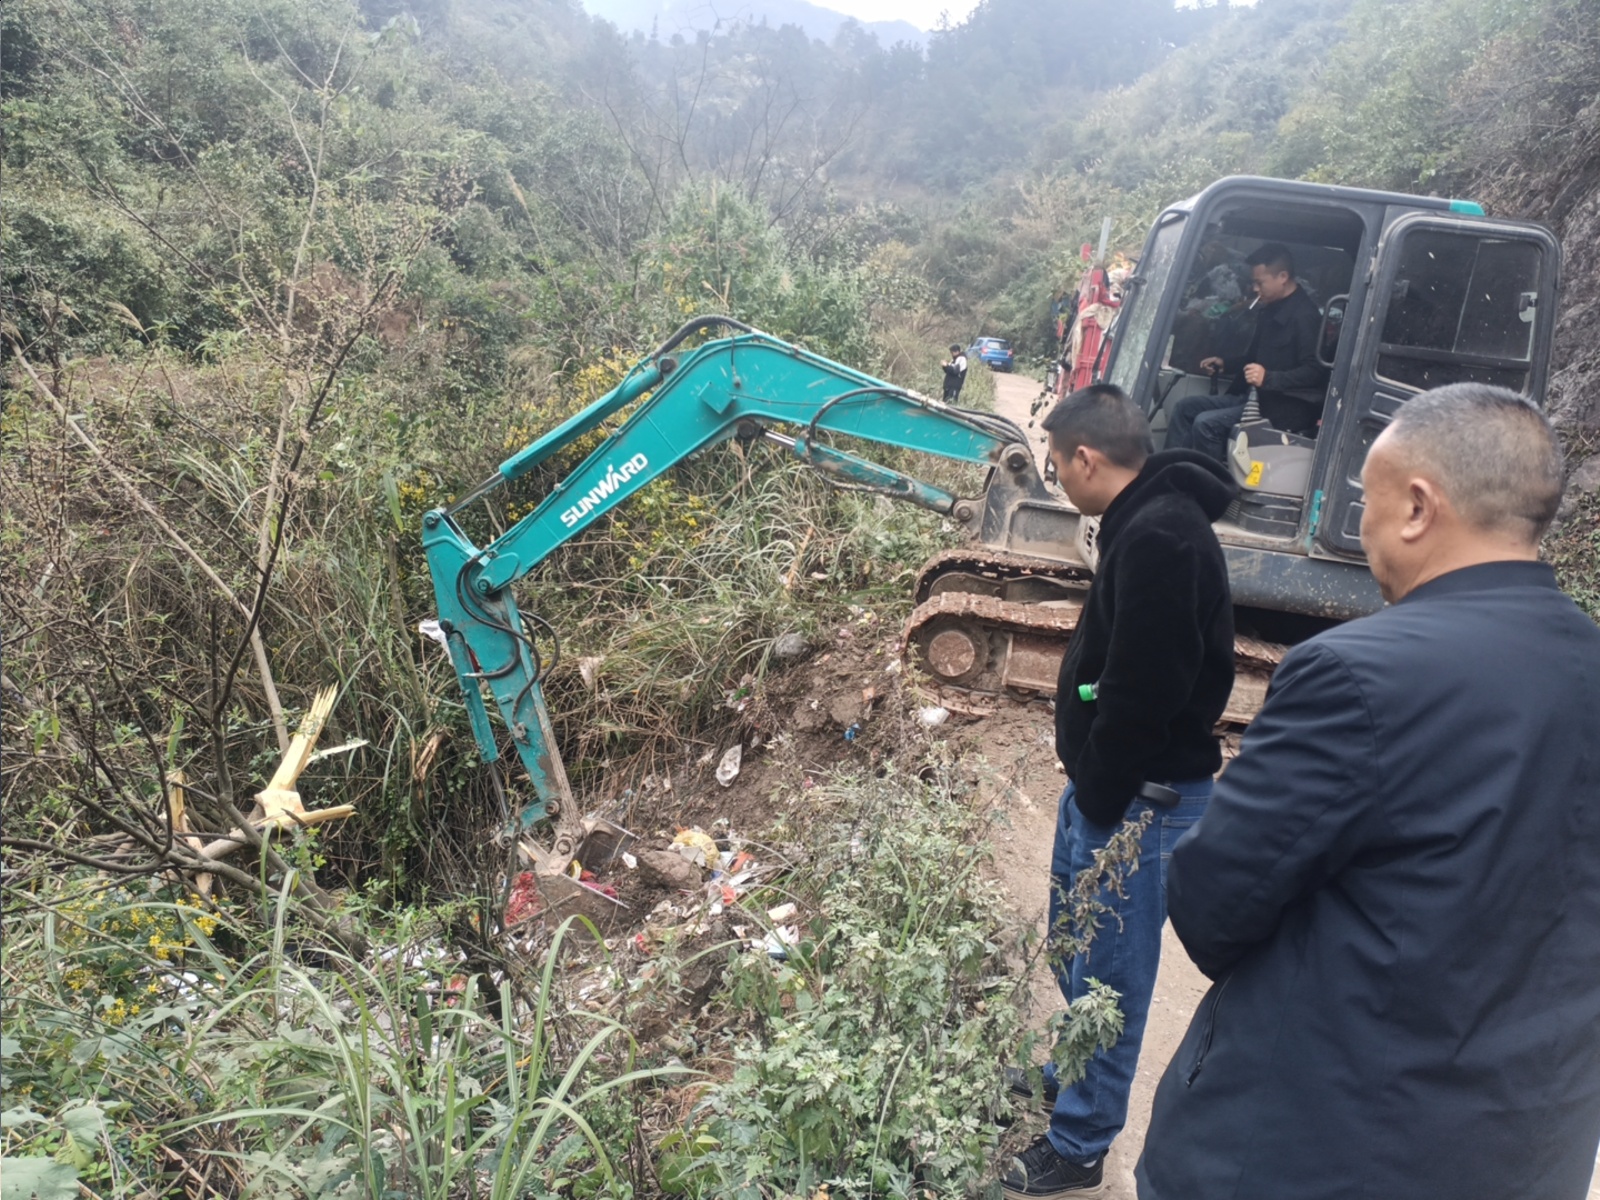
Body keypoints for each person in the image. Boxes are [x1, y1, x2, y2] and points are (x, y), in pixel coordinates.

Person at [1137, 383, 1600, 1200]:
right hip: (1527, 1153)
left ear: (1418, 507)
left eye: (1369, 501)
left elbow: (1213, 905)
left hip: (1322, 1148)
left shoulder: (1356, 674)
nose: (1363, 527)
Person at [1002, 384, 1238, 1199]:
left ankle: (1079, 1145)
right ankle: (1068, 1077)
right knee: (1075, 948)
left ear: (1086, 458)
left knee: (1108, 979)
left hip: (1142, 802)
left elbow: (1145, 691)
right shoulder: (1145, 520)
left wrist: (1101, 793)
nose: (1058, 478)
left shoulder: (1164, 537)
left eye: (1056, 464)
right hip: (1111, 791)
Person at [1166, 243, 1327, 460]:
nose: (1255, 289)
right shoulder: (1269, 310)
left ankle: (1208, 480)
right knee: (1185, 408)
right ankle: (1172, 470)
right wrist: (1226, 364)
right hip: (1254, 398)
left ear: (1282, 277)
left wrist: (1268, 378)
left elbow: (1315, 371)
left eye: (1260, 283)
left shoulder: (1305, 316)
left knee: (1206, 424)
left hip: (1282, 408)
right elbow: (1254, 359)